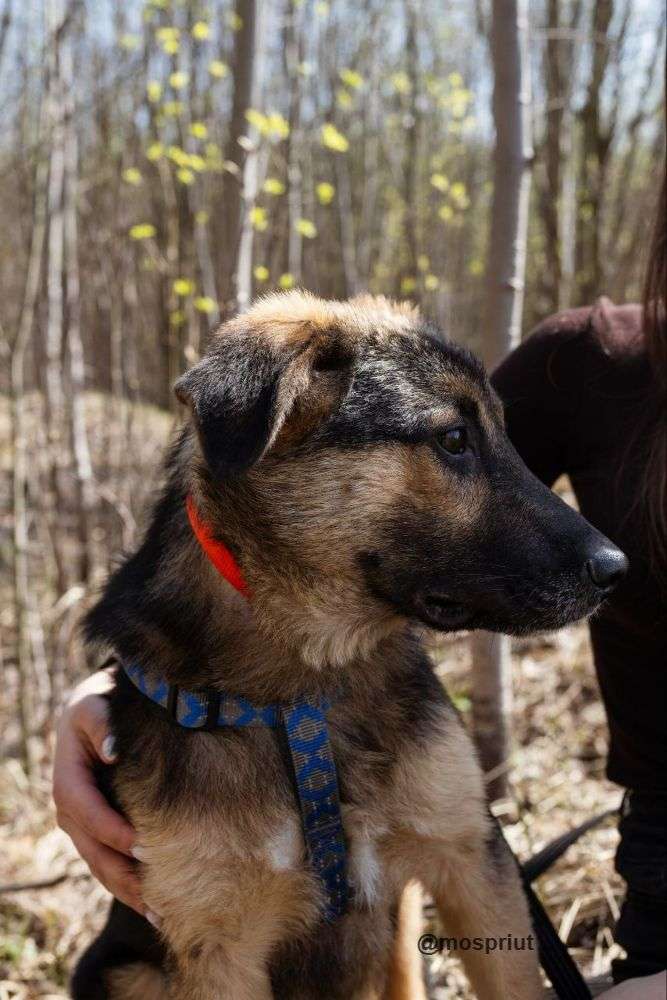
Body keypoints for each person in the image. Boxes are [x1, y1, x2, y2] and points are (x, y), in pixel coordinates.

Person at [53, 185, 666, 993]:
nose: (597, 554)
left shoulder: (397, 686)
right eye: (454, 442)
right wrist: (114, 696)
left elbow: (469, 891)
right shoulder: (599, 361)